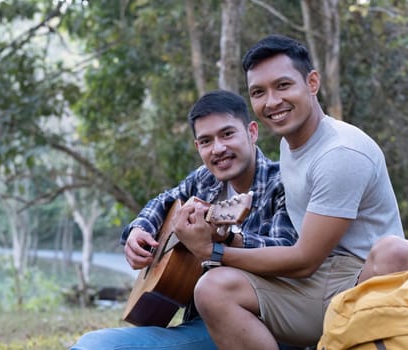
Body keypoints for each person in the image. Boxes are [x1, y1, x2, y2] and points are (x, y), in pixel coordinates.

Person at [172, 34, 408, 349]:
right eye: (259, 92)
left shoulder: (341, 152)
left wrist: (213, 252)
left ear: (312, 83)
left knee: (397, 251)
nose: (272, 101)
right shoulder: (290, 145)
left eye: (283, 85)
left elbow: (304, 259)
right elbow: (302, 257)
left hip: (362, 281)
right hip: (313, 284)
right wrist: (227, 238)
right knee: (212, 288)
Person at [70, 89, 299, 350]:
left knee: (94, 346)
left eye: (227, 134)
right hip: (200, 322)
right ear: (197, 147)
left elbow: (289, 253)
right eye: (206, 141)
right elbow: (163, 201)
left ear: (252, 132)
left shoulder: (283, 182)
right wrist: (138, 230)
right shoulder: (204, 180)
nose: (218, 148)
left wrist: (228, 240)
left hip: (256, 324)